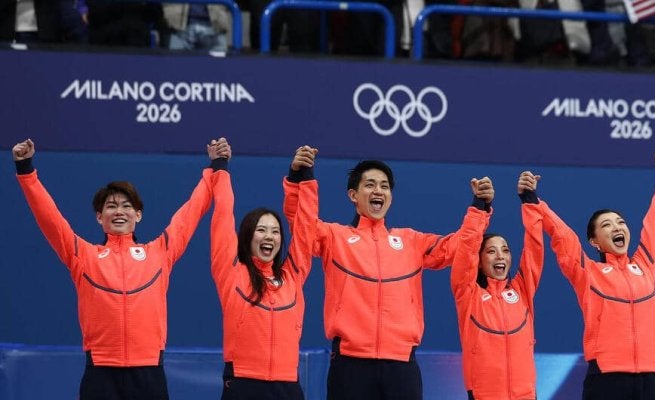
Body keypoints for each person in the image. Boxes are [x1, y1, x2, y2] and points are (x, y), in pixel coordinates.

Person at [11, 138, 217, 399]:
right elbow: (50, 220)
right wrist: (26, 171)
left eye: (126, 206)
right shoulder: (83, 255)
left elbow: (191, 213)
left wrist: (215, 167)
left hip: (149, 373)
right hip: (100, 374)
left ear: (138, 215)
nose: (119, 211)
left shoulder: (160, 252)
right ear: (99, 217)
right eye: (111, 206)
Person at [282, 159, 494, 399]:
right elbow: (301, 225)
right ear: (353, 195)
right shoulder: (334, 237)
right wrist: (299, 179)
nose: (378, 191)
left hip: (401, 367)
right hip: (350, 365)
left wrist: (479, 208)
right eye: (370, 185)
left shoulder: (412, 242)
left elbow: (457, 247)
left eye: (384, 186)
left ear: (391, 197)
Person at [536, 150, 655, 399]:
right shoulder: (588, 273)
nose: (617, 227)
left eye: (620, 222)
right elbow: (563, 238)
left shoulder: (646, 265)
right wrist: (536, 203)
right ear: (594, 242)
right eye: (607, 225)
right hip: (607, 377)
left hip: (651, 377)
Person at [209, 139, 319, 399]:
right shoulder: (231, 270)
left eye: (275, 231)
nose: (269, 236)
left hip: (288, 386)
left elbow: (306, 228)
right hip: (243, 384)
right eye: (261, 230)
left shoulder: (293, 275)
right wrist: (220, 167)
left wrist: (304, 177)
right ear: (248, 236)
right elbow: (223, 213)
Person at [451, 171, 544, 400]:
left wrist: (529, 200)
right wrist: (480, 206)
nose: (500, 256)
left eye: (505, 250)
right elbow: (467, 248)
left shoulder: (522, 290)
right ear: (479, 261)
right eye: (491, 251)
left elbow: (534, 248)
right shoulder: (468, 293)